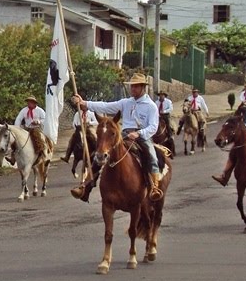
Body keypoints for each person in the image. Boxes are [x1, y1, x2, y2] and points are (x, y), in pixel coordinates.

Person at [70, 73, 164, 202]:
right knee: (100, 154)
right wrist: (85, 103)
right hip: (123, 134)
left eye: (136, 87)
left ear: (143, 87)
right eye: (132, 87)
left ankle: (154, 187)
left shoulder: (151, 106)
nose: (133, 89)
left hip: (141, 135)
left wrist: (139, 133)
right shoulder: (126, 102)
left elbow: (153, 126)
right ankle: (85, 187)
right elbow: (106, 106)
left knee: (151, 156)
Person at [9, 96, 47, 165]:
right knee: (16, 139)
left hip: (36, 127)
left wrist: (38, 121)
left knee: (37, 138)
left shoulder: (40, 110)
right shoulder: (24, 110)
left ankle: (43, 154)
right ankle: (13, 156)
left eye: (31, 102)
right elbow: (19, 118)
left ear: (34, 103)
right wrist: (17, 129)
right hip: (27, 127)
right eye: (28, 102)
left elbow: (45, 119)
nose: (29, 103)